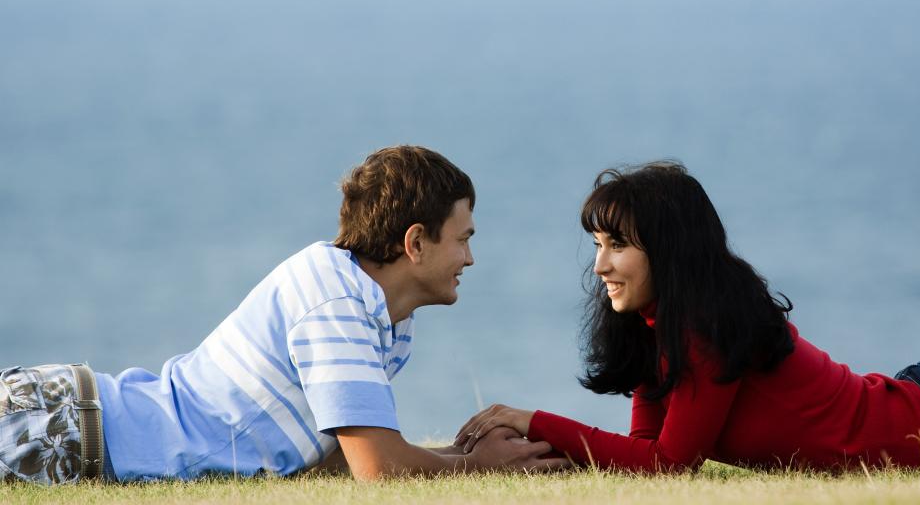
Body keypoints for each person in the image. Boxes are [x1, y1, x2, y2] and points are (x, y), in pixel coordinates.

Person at [0, 145, 567, 484]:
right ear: (415, 242)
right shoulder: (335, 304)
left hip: (78, 420)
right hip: (72, 430)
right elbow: (379, 469)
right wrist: (477, 467)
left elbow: (334, 462)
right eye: (462, 240)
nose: (470, 257)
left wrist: (464, 453)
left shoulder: (376, 312)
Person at [455, 161, 920, 471]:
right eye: (598, 244)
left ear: (668, 250)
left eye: (618, 245)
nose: (600, 264)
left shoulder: (706, 329)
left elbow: (668, 464)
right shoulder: (656, 327)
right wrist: (536, 454)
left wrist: (535, 421)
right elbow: (646, 454)